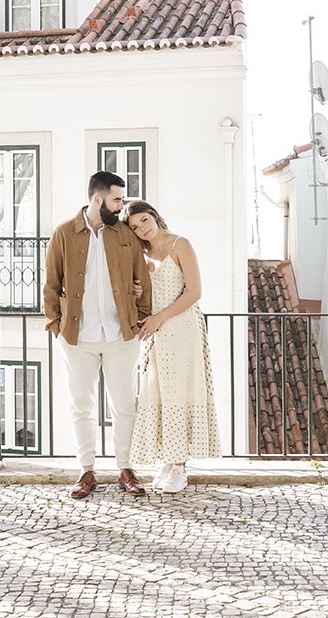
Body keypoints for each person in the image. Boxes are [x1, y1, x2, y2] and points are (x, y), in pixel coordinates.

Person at [44, 171, 153, 499]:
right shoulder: (64, 233)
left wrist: (142, 318)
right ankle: (86, 470)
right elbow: (51, 283)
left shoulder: (125, 235)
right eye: (117, 199)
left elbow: (141, 278)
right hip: (77, 336)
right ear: (97, 199)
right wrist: (56, 326)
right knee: (82, 404)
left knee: (124, 404)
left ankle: (125, 468)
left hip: (122, 334)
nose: (122, 206)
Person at [125, 199, 219, 493]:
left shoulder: (181, 245)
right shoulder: (141, 255)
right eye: (135, 227)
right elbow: (148, 295)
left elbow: (194, 291)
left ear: (153, 216)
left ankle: (180, 466)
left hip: (181, 328)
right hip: (156, 332)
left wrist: (159, 318)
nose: (142, 229)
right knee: (158, 393)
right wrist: (139, 292)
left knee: (179, 390)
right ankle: (169, 457)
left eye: (144, 221)